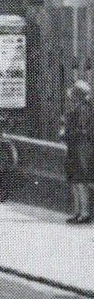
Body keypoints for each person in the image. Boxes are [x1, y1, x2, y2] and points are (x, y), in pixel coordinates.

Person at [63, 80, 94, 224]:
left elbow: (82, 130)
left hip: (81, 148)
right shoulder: (80, 107)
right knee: (75, 180)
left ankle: (84, 213)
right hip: (76, 147)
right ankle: (78, 212)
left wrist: (66, 134)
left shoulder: (83, 108)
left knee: (80, 180)